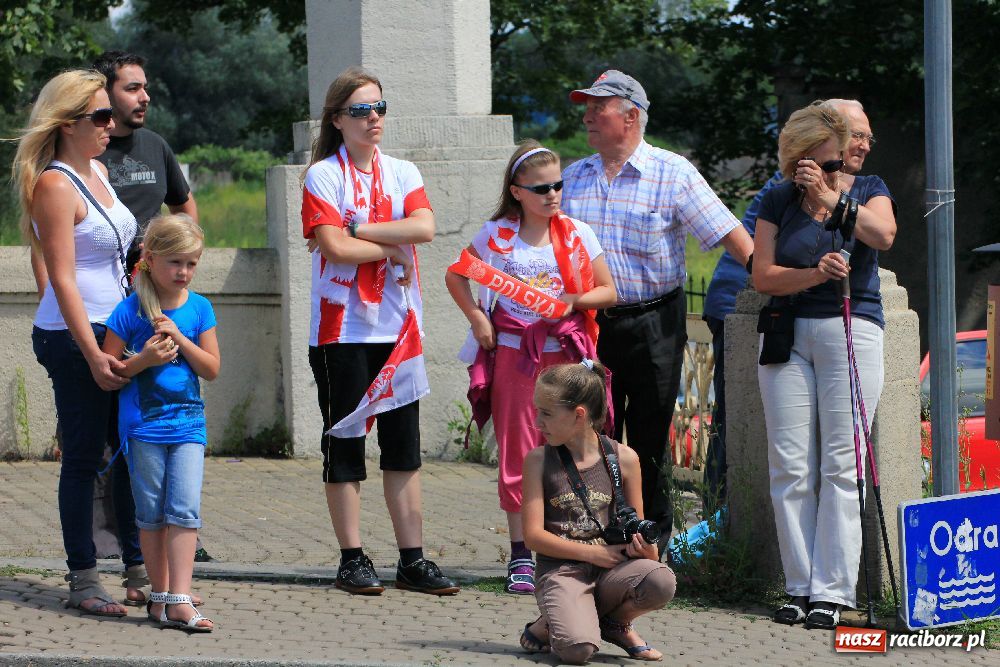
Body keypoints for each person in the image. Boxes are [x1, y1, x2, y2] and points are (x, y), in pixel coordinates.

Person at [561, 70, 753, 546]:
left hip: (654, 322)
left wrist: (771, 281)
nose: (586, 117)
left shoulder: (673, 173)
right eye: (586, 107)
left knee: (649, 438)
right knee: (589, 431)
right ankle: (593, 536)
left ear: (631, 116)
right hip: (589, 325)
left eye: (597, 107)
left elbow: (731, 236)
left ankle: (651, 542)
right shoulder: (572, 177)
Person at [301, 66, 458, 596]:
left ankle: (412, 559)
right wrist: (390, 247)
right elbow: (333, 247)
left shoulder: (403, 171)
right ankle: (352, 557)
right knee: (344, 442)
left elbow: (425, 227)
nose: (374, 118)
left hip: (398, 327)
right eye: (361, 110)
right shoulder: (323, 175)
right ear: (337, 119)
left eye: (380, 108)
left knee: (403, 446)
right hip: (341, 330)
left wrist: (360, 229)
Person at [445, 140, 617, 594]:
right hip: (514, 356)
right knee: (519, 452)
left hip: (566, 357)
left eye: (557, 185)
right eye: (541, 188)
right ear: (517, 191)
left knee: (577, 447)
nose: (552, 194)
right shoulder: (495, 235)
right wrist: (477, 317)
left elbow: (608, 291)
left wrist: (573, 299)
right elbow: (456, 274)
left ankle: (573, 546)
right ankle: (522, 554)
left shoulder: (578, 233)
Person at [751, 103, 896, 629]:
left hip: (851, 326)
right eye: (826, 162)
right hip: (787, 331)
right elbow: (763, 276)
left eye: (838, 161)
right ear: (801, 159)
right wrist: (813, 274)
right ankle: (798, 585)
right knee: (789, 464)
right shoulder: (777, 197)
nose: (839, 166)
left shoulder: (869, 188)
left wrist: (832, 197)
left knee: (842, 462)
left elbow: (883, 236)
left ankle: (832, 591)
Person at [701, 99, 876, 506]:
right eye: (855, 135)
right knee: (735, 425)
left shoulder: (855, 185)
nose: (863, 145)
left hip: (801, 312)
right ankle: (718, 516)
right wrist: (807, 273)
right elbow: (764, 264)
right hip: (745, 305)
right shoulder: (793, 187)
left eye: (869, 137)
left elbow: (879, 233)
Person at [14, 69, 139, 616]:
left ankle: (139, 568)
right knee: (85, 458)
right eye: (100, 116)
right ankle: (84, 579)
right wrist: (92, 353)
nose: (111, 124)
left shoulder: (100, 173)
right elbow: (61, 278)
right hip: (74, 336)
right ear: (67, 123)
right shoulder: (55, 184)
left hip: (117, 330)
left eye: (111, 114)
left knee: (130, 452)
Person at [90, 50, 213, 567]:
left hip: (159, 300)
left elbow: (184, 204)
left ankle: (172, 535)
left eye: (145, 87)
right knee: (110, 434)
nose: (144, 97)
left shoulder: (156, 146)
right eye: (132, 88)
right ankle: (117, 544)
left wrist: (182, 254)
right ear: (104, 94)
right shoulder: (87, 152)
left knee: (165, 422)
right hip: (109, 307)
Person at [102, 214, 219, 632]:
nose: (184, 272)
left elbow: (211, 369)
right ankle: (160, 597)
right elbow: (110, 372)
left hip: (188, 427)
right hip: (143, 429)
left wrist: (181, 339)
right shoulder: (129, 311)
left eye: (191, 263)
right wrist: (144, 359)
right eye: (175, 263)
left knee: (184, 508)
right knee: (151, 514)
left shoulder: (200, 308)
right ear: (150, 260)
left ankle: (180, 599)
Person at [519, 361, 676, 663]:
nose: (537, 422)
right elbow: (533, 537)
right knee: (577, 650)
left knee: (661, 581)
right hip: (562, 572)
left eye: (546, 413)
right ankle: (551, 622)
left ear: (579, 415)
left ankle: (615, 624)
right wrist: (594, 553)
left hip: (612, 570)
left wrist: (646, 549)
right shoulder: (538, 460)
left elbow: (636, 527)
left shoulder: (624, 458)